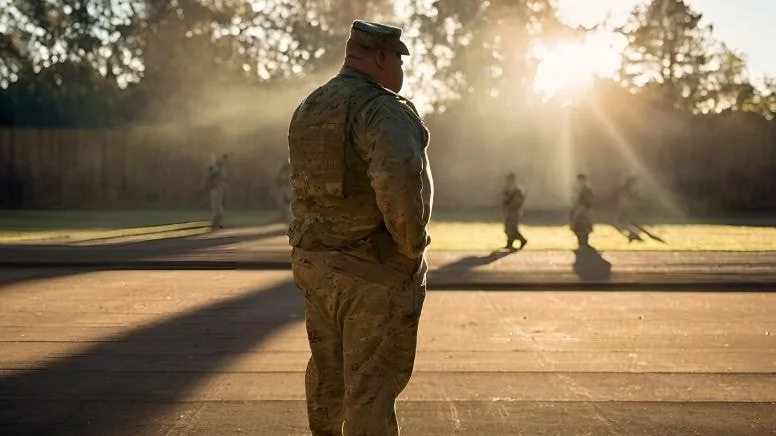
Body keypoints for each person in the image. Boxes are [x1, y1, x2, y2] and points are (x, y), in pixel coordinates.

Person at [286, 19, 433, 435]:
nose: (401, 72)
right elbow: (397, 176)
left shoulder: (311, 106)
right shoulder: (381, 109)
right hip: (370, 269)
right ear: (381, 58)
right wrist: (409, 247)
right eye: (399, 61)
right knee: (371, 384)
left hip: (316, 263)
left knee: (328, 372)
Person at [502, 172, 527, 250]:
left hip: (515, 211)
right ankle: (510, 243)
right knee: (507, 228)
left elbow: (518, 201)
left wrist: (512, 207)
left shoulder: (517, 189)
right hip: (509, 211)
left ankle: (522, 240)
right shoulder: (508, 188)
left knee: (512, 228)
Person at [617, 174, 644, 243]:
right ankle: (632, 235)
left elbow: (634, 195)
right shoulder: (628, 188)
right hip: (628, 206)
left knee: (628, 221)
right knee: (626, 221)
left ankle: (632, 235)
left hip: (629, 206)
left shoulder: (629, 188)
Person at [570, 173, 594, 248]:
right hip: (578, 209)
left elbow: (589, 200)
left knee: (584, 225)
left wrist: (584, 207)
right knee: (577, 225)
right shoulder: (577, 189)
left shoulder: (587, 189)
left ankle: (584, 241)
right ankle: (580, 240)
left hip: (584, 209)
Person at [205, 153, 228, 230]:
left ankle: (216, 223)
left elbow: (221, 176)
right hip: (214, 188)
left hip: (218, 188)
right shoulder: (214, 167)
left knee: (217, 206)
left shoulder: (219, 168)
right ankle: (215, 223)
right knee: (215, 206)